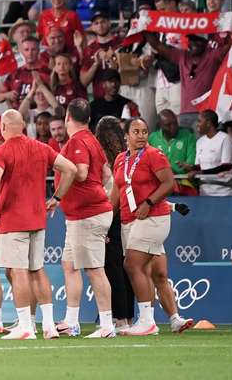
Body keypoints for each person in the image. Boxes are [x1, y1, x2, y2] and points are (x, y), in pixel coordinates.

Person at [0, 109, 78, 340]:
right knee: (37, 270)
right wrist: (57, 197)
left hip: (13, 220)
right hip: (37, 219)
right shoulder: (40, 147)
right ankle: (48, 325)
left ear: (3, 127)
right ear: (23, 126)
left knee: (18, 272)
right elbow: (71, 169)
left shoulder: (1, 151)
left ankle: (25, 325)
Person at [46, 99, 116, 338]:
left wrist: (58, 196)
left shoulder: (77, 141)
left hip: (87, 214)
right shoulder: (92, 140)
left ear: (67, 117)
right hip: (83, 214)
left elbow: (80, 171)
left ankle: (107, 326)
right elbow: (107, 174)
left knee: (95, 269)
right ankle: (71, 321)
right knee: (70, 265)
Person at [110, 117, 178, 335]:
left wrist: (149, 202)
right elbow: (116, 194)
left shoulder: (153, 155)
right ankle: (174, 319)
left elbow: (169, 183)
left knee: (132, 265)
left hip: (152, 217)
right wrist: (105, 220)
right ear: (126, 136)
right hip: (129, 221)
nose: (141, 136)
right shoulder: (120, 159)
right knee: (156, 271)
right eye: (136, 132)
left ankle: (147, 321)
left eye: (144, 131)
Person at [94, 116, 134, 332]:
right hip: (128, 214)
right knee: (127, 268)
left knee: (112, 269)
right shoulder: (127, 158)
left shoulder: (102, 161)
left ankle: (118, 318)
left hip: (109, 214)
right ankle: (127, 318)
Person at [145, 32, 230, 129]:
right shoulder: (182, 56)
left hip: (205, 116)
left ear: (206, 42)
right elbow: (158, 46)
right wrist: (144, 26)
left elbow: (230, 47)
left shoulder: (213, 56)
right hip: (184, 116)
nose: (193, 43)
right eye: (191, 40)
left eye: (197, 40)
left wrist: (231, 26)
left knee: (200, 144)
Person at [188, 110, 232, 196]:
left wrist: (202, 173)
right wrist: (190, 168)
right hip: (204, 192)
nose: (197, 124)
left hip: (224, 192)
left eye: (199, 121)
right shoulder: (199, 141)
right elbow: (199, 166)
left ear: (208, 123)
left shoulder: (225, 138)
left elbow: (226, 166)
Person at [148, 109, 197, 195]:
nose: (173, 127)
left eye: (175, 123)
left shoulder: (188, 136)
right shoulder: (152, 138)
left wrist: (188, 166)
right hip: (159, 187)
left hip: (183, 186)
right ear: (160, 125)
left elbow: (191, 163)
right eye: (168, 125)